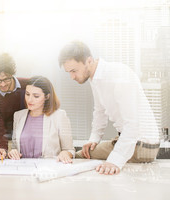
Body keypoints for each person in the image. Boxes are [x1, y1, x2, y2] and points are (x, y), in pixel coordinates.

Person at [58, 41, 160, 175]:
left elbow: (132, 124)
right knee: (85, 153)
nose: (72, 77)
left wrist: (115, 160)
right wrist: (93, 140)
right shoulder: (96, 78)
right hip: (135, 141)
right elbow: (100, 112)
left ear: (88, 61)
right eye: (68, 72)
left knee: (77, 158)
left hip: (142, 145)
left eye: (74, 71)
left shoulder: (118, 75)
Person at [8, 76, 74, 163]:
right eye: (27, 94)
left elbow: (69, 150)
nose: (30, 100)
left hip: (49, 171)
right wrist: (13, 152)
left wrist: (65, 153)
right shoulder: (18, 116)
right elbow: (15, 147)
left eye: (36, 96)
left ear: (47, 97)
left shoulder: (59, 116)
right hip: (23, 169)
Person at [0, 53, 29, 160]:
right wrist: (2, 150)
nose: (3, 84)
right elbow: (0, 130)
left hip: (32, 138)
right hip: (10, 143)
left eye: (6, 79)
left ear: (12, 74)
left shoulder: (28, 85)